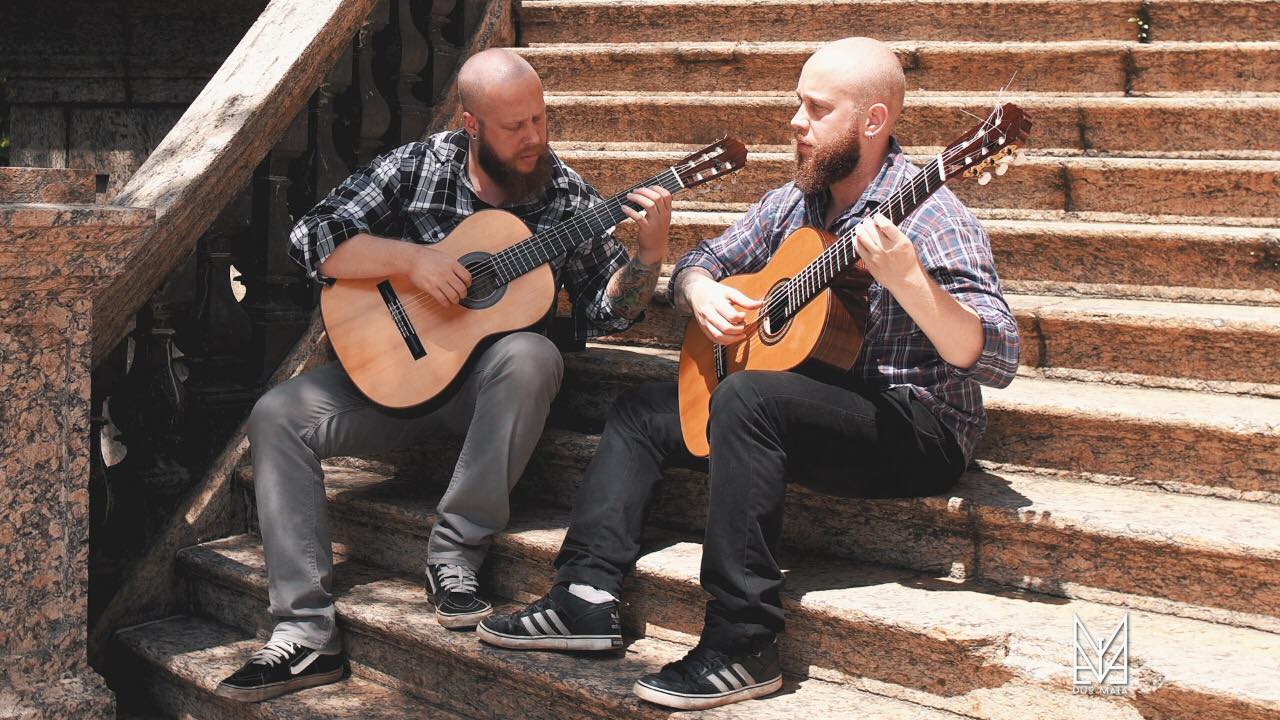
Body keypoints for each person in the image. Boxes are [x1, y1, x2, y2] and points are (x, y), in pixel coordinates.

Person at [477, 36, 1020, 711]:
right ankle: (584, 596)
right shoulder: (796, 203)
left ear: (873, 122)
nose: (795, 121)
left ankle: (743, 644)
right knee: (644, 413)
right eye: (798, 103)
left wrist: (911, 282)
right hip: (808, 398)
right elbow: (704, 258)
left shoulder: (936, 216)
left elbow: (998, 355)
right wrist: (703, 292)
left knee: (748, 398)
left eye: (817, 109)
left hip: (914, 423)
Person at [214, 48, 672, 702]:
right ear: (471, 125)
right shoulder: (417, 166)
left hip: (491, 394)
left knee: (533, 355)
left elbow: (610, 310)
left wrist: (648, 259)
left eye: (541, 119)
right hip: (396, 383)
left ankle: (455, 555)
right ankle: (304, 633)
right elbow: (311, 239)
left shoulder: (563, 191)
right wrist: (411, 262)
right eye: (516, 126)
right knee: (276, 416)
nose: (534, 138)